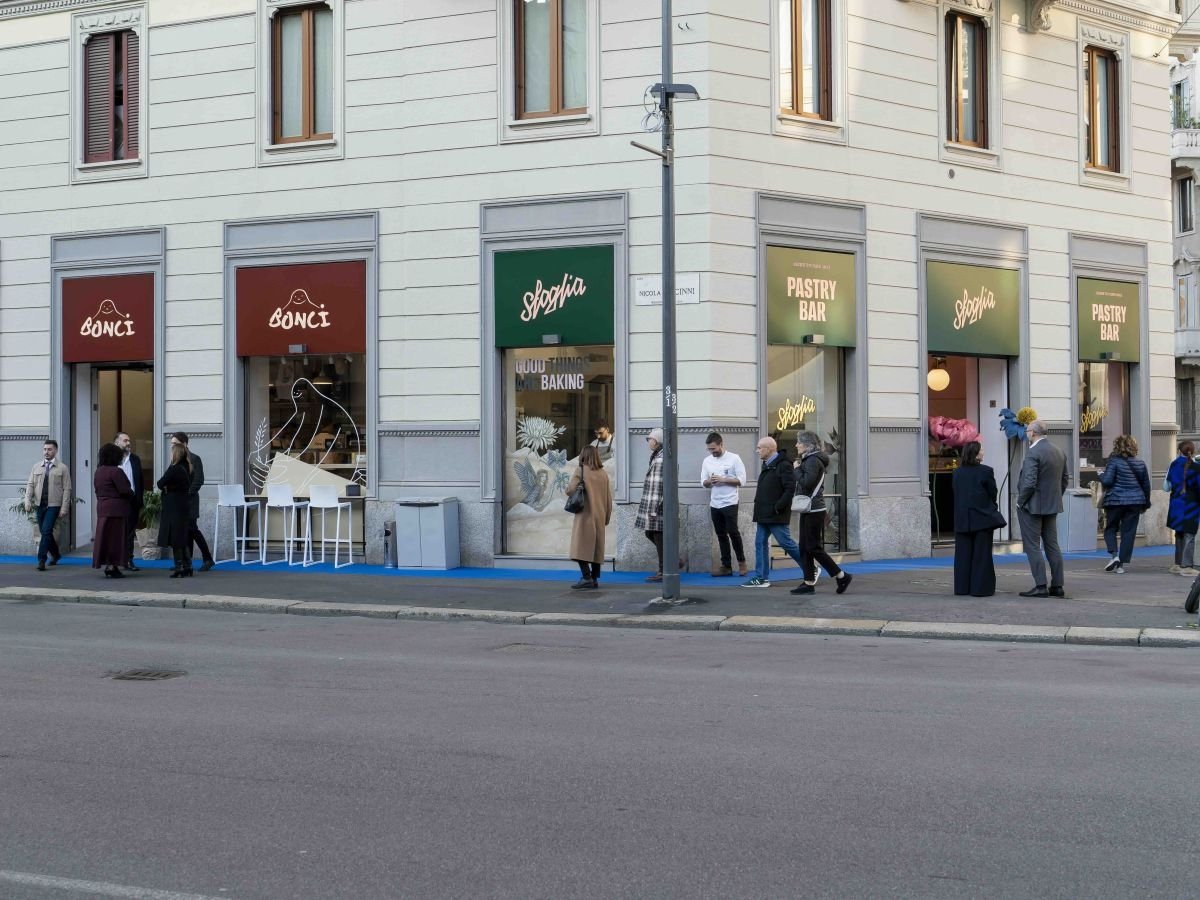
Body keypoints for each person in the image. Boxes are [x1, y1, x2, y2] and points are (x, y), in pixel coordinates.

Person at [790, 431, 852, 596]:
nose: (796, 445)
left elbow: (806, 483)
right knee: (804, 547)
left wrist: (796, 469)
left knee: (813, 547)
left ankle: (842, 575)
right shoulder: (811, 459)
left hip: (814, 509)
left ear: (807, 445)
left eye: (799, 442)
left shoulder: (812, 461)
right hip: (810, 508)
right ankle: (808, 582)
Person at [742, 436, 807, 589]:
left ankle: (809, 567)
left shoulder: (783, 465)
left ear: (769, 449)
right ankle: (761, 578)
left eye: (760, 448)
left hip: (775, 513)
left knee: (786, 543)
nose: (757, 451)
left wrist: (778, 507)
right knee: (760, 543)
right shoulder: (767, 464)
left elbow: (789, 489)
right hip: (764, 513)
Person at [1015, 420, 1069, 598]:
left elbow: (1029, 482)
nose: (1026, 433)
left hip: (1032, 506)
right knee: (1052, 545)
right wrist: (1055, 497)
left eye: (1027, 430)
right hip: (1051, 505)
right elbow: (1064, 479)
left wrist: (1020, 501)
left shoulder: (1033, 452)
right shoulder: (1059, 451)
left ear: (1033, 433)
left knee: (1032, 546)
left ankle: (1040, 585)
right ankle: (1058, 586)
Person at [951, 440, 1003, 597]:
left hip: (962, 519)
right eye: (981, 450)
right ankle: (980, 588)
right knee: (982, 555)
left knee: (962, 556)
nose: (983, 452)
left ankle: (962, 588)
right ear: (976, 453)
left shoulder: (957, 472)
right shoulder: (986, 471)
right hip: (982, 518)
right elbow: (992, 493)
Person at [1098, 434, 1152, 575]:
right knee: (1128, 533)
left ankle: (1114, 555)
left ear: (1117, 446)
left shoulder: (1114, 462)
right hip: (1135, 501)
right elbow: (1146, 486)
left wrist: (1100, 474)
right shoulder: (1140, 463)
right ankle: (1121, 565)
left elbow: (1107, 481)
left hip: (1115, 500)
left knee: (1110, 528)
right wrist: (1146, 503)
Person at [701, 432, 748, 577]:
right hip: (715, 503)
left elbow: (742, 480)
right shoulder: (707, 461)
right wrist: (710, 481)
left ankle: (742, 562)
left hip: (730, 501)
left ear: (721, 444)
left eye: (714, 448)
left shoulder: (734, 458)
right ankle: (726, 566)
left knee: (733, 532)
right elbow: (703, 482)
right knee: (721, 534)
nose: (712, 452)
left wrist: (723, 479)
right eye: (709, 449)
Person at [567, 446, 613, 590]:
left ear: (583, 456)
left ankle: (586, 577)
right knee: (596, 549)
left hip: (585, 516)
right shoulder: (603, 474)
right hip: (600, 516)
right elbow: (608, 499)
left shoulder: (581, 470)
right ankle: (594, 579)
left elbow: (570, 490)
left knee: (580, 548)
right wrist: (606, 517)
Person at [24, 439, 72, 572]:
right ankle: (56, 555)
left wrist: (64, 507)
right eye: (45, 449)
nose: (46, 452)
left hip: (54, 505)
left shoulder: (62, 468)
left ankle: (41, 560)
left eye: (49, 449)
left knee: (45, 531)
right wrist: (27, 501)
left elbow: (67, 489)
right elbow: (30, 485)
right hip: (40, 504)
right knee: (46, 532)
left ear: (55, 451)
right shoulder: (36, 467)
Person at [170, 432, 214, 571]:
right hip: (179, 501)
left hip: (190, 500)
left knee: (192, 529)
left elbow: (199, 480)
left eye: (175, 443)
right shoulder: (175, 459)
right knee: (186, 531)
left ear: (184, 444)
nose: (172, 446)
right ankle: (186, 562)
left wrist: (186, 493)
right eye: (171, 443)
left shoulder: (195, 458)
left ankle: (207, 558)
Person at [92, 442, 134, 579]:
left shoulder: (99, 471)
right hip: (117, 509)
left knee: (105, 538)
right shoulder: (116, 471)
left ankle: (108, 565)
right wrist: (132, 495)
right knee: (116, 539)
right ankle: (113, 566)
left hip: (102, 507)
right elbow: (125, 490)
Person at [157, 444, 194, 578]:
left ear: (175, 454)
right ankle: (188, 566)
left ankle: (179, 567)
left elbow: (160, 483)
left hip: (173, 507)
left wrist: (167, 487)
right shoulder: (187, 467)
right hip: (182, 506)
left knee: (175, 538)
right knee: (181, 537)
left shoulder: (175, 469)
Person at [634, 428, 665, 583]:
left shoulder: (661, 459)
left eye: (650, 439)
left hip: (657, 504)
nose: (648, 442)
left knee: (657, 535)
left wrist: (653, 509)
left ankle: (664, 570)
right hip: (654, 502)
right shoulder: (657, 456)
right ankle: (672, 560)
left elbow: (658, 485)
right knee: (651, 533)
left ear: (657, 441)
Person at [1166, 440, 1200, 576]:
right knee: (1189, 534)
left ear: (1179, 451)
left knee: (1179, 533)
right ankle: (1187, 566)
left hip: (1176, 503)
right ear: (1193, 451)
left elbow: (1169, 483)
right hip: (1191, 505)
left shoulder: (1174, 464)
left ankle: (1178, 564)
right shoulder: (1196, 468)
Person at [115, 432, 144, 571]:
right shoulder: (112, 460)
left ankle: (128, 560)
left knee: (130, 532)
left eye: (129, 440)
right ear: (117, 443)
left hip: (132, 501)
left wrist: (140, 500)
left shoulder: (135, 459)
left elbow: (140, 481)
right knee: (116, 532)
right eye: (125, 440)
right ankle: (115, 560)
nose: (128, 443)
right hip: (116, 501)